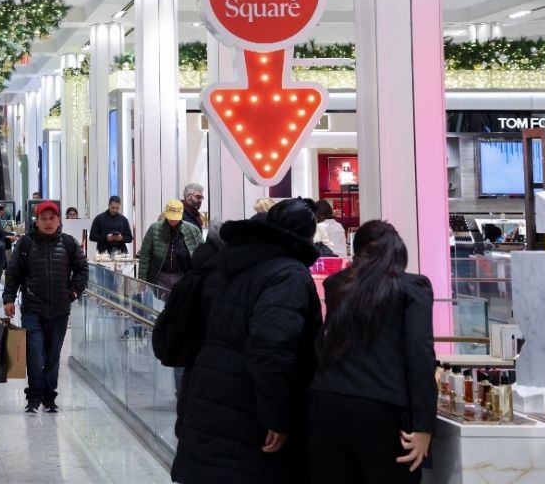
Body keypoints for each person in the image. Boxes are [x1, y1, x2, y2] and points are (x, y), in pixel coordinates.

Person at [171, 198, 324, 484]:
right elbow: (270, 349)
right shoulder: (288, 274)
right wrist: (277, 417)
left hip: (209, 393)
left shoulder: (237, 264)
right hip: (246, 410)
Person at [308, 220, 435, 484]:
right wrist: (424, 426)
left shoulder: (337, 286)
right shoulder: (412, 289)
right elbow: (420, 355)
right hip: (381, 409)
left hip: (325, 402)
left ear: (357, 251)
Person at [2, 201, 89, 414]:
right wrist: (9, 298)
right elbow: (13, 274)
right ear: (37, 221)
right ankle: (34, 397)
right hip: (33, 309)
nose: (48, 223)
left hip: (60, 310)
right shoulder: (25, 244)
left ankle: (49, 396)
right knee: (35, 354)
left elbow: (82, 271)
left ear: (59, 220)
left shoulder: (69, 244)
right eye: (43, 219)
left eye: (52, 218)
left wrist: (73, 292)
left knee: (52, 356)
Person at [138, 200, 204, 291]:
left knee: (180, 304)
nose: (173, 220)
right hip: (160, 276)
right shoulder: (154, 229)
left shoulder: (193, 230)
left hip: (183, 275)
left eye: (176, 218)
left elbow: (203, 257)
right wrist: (142, 282)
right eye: (171, 217)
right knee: (159, 303)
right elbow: (144, 257)